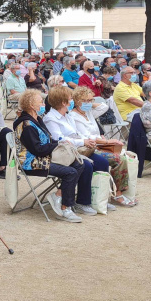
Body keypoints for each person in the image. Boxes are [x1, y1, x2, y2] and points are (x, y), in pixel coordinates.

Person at [14, 90, 83, 223]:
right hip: (31, 162)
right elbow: (38, 149)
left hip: (44, 157)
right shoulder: (26, 124)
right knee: (70, 172)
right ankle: (65, 208)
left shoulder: (37, 119)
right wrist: (58, 144)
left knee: (79, 164)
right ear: (31, 105)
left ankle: (58, 195)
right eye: (40, 101)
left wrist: (59, 143)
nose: (43, 104)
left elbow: (48, 141)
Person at [41, 86, 109, 215]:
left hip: (78, 150)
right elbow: (59, 139)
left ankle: (99, 199)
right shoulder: (51, 118)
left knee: (102, 163)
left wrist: (87, 140)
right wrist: (82, 141)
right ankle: (83, 202)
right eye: (70, 98)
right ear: (63, 102)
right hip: (63, 152)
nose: (72, 101)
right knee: (86, 166)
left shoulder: (67, 116)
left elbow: (77, 134)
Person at [67, 87, 136, 206]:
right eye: (85, 100)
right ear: (77, 100)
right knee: (119, 159)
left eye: (90, 100)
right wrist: (107, 142)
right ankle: (117, 194)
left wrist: (90, 103)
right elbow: (86, 136)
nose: (88, 103)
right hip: (89, 148)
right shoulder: (73, 116)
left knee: (129, 156)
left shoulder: (88, 112)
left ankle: (118, 192)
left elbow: (104, 107)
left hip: (100, 144)